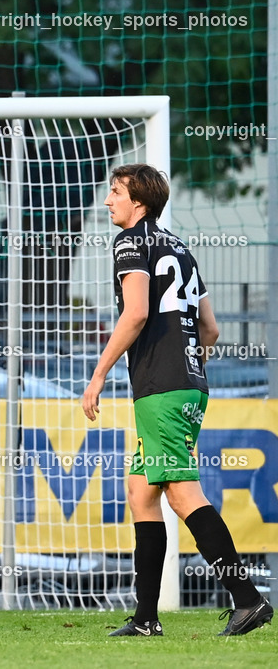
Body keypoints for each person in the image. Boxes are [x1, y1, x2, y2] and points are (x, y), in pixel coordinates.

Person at [83, 164, 273, 637]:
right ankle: (146, 618)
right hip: (186, 382)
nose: (109, 201)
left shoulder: (131, 241)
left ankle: (247, 599)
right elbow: (211, 328)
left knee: (182, 494)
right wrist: (187, 369)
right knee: (140, 492)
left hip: (162, 388)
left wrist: (99, 372)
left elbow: (138, 312)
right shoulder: (178, 246)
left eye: (116, 192)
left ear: (139, 204)